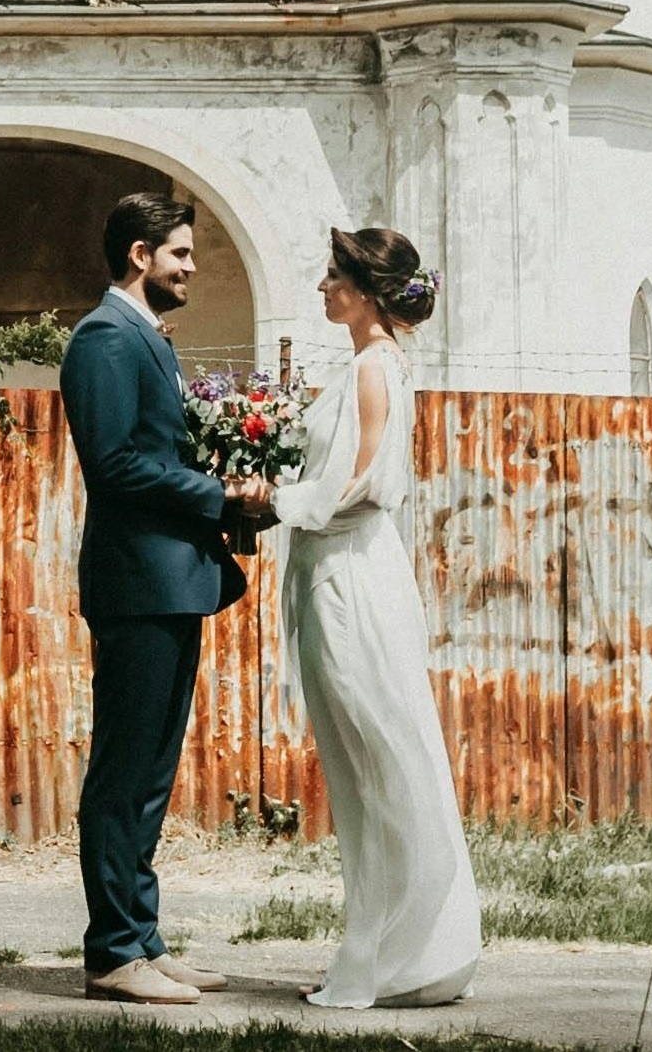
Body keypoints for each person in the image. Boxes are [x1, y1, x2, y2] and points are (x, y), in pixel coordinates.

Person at [231, 226, 480, 1009]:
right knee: (367, 765)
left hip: (348, 579)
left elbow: (366, 486)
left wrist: (273, 500)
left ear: (367, 291)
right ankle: (389, 950)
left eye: (333, 276)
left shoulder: (374, 367)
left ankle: (404, 956)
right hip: (339, 568)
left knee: (379, 763)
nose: (321, 287)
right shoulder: (374, 364)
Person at [59, 192, 256, 1005]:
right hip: (137, 583)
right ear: (139, 255)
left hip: (169, 581)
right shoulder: (105, 337)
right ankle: (112, 952)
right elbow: (112, 464)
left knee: (149, 774)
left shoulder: (145, 337)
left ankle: (142, 939)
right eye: (179, 252)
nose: (190, 268)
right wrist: (219, 495)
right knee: (123, 772)